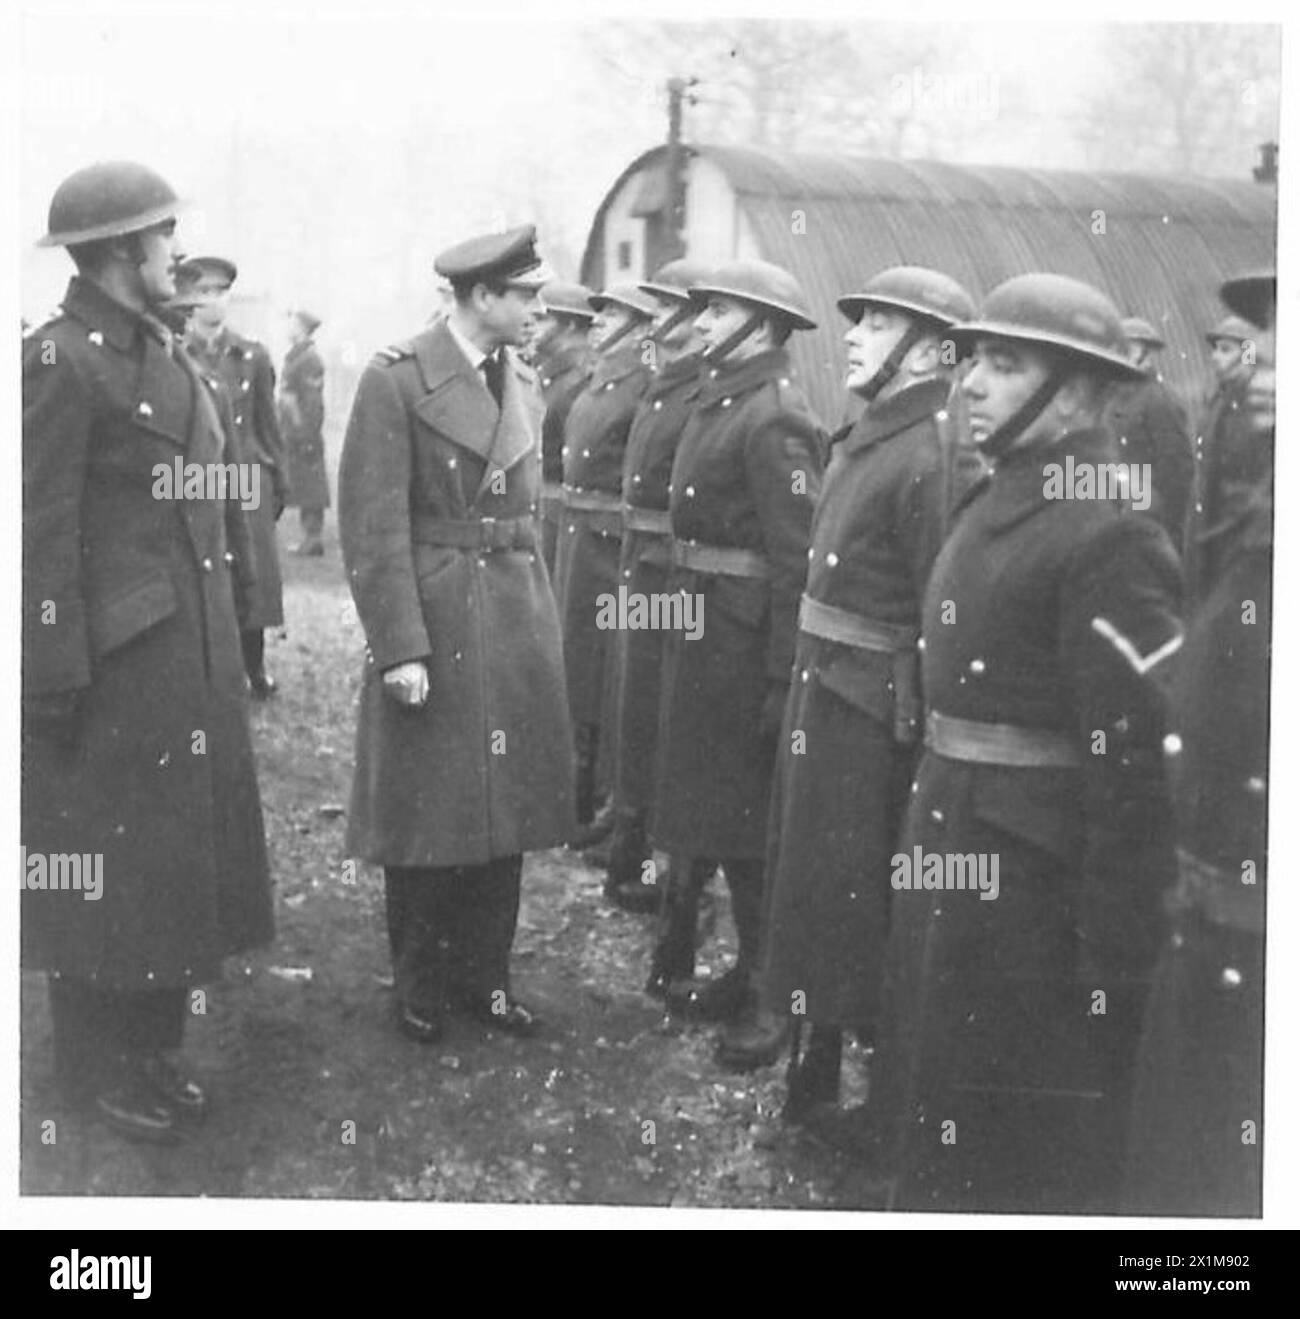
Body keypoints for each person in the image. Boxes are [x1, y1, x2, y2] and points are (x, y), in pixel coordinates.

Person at [868, 273, 1183, 1212]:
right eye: (973, 361)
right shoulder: (997, 495)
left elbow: (1136, 773)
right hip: (955, 845)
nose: (970, 383)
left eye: (1004, 366)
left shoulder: (1109, 531)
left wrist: (1112, 965)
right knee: (939, 1101)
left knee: (1013, 1150)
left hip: (1029, 897)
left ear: (1077, 392)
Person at [22, 161, 273, 1141]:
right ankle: (94, 1069)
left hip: (183, 664)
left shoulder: (165, 356)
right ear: (125, 250)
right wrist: (47, 684)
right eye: (166, 238)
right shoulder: (59, 361)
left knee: (166, 877)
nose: (178, 253)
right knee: (102, 877)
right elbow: (37, 538)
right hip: (108, 675)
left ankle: (149, 1052)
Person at [338, 225, 573, 1045]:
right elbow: (371, 526)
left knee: (502, 815)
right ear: (481, 298)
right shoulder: (396, 380)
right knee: (428, 811)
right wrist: (399, 645)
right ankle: (419, 980)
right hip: (437, 617)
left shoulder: (526, 382)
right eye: (526, 294)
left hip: (511, 614)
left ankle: (489, 978)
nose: (540, 308)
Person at [754, 267, 976, 1098]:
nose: (852, 336)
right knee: (812, 879)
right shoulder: (872, 434)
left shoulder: (931, 454)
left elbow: (937, 607)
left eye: (878, 324)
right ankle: (812, 1056)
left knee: (853, 892)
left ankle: (862, 1084)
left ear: (927, 354)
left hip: (871, 711)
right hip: (828, 688)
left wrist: (912, 718)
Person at [1125, 271, 1273, 1216]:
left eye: (1266, 338)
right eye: (1246, 337)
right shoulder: (1263, 480)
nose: (1254, 356)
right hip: (1215, 896)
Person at [653, 259, 825, 1069]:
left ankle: (773, 997)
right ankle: (747, 971)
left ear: (762, 325)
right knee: (721, 817)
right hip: (707, 633)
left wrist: (780, 677)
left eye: (717, 313)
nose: (701, 325)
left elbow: (798, 562)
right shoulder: (724, 396)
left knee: (753, 830)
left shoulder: (775, 417)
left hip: (744, 642)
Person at [603, 258, 710, 919]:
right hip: (639, 560)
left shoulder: (700, 390)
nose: (656, 321)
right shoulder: (664, 384)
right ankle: (627, 853)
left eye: (668, 308)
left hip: (672, 571)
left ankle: (657, 869)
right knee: (630, 707)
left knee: (661, 719)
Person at [552, 285, 657, 851]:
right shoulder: (599, 380)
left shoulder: (642, 386)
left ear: (641, 329)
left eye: (612, 313)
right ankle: (580, 793)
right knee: (576, 666)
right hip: (579, 538)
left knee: (601, 671)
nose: (598, 322)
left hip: (606, 543)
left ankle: (599, 798)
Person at [176, 255, 289, 697]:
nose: (212, 302)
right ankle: (210, 668)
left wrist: (278, 481)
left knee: (253, 573)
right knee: (206, 567)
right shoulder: (177, 353)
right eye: (203, 292)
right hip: (200, 476)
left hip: (247, 475)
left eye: (220, 292)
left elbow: (268, 422)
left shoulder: (252, 355)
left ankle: (254, 666)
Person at [1186, 303, 1271, 607]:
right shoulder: (1219, 401)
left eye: (1225, 349)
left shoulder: (1258, 408)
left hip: (1236, 539)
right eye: (1215, 349)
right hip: (1210, 530)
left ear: (1248, 354)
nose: (1215, 357)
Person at [1101, 315, 1193, 549]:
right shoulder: (1112, 395)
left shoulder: (1160, 400)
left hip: (1147, 520)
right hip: (1114, 511)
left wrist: (1166, 528)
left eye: (1128, 347)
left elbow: (1176, 472)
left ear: (1147, 354)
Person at [532, 281, 595, 572]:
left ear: (570, 325)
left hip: (562, 517)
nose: (531, 322)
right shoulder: (544, 374)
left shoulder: (581, 381)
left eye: (543, 317)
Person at [281, 309, 329, 555]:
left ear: (301, 327)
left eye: (292, 323)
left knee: (310, 486)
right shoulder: (297, 357)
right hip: (295, 431)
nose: (287, 327)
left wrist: (306, 434)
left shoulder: (309, 360)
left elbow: (311, 403)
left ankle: (313, 539)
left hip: (303, 433)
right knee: (303, 484)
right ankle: (309, 539)